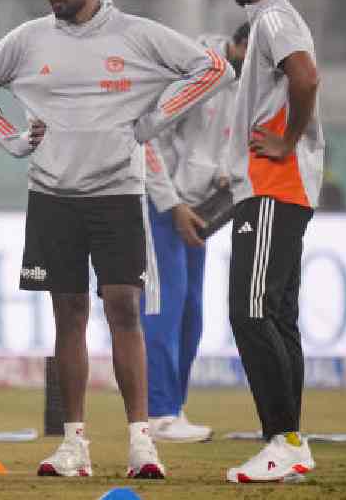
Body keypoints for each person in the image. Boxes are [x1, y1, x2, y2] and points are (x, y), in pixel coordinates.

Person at [0, 0, 233, 479]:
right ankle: (74, 446)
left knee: (124, 311)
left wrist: (156, 120)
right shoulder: (28, 39)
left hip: (117, 196)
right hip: (52, 196)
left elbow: (212, 70)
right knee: (69, 318)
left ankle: (141, 444)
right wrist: (13, 140)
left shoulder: (137, 34)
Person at [225, 0, 321, 483]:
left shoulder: (275, 18)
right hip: (278, 188)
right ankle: (290, 445)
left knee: (251, 312)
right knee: (278, 319)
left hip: (274, 184)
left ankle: (281, 442)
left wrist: (285, 143)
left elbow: (306, 77)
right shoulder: (275, 20)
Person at [142, 22, 250, 443]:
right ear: (242, 45)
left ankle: (174, 408)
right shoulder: (196, 69)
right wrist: (171, 203)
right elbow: (145, 137)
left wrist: (225, 177)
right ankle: (156, 413)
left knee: (190, 314)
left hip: (200, 207)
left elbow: (225, 144)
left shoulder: (251, 79)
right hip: (161, 204)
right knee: (162, 308)